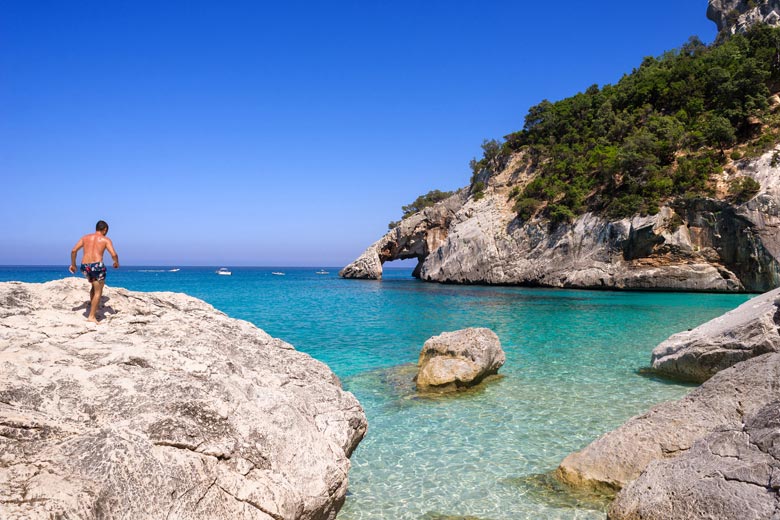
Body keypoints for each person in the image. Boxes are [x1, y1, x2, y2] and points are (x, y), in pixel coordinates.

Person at [69, 220, 120, 323]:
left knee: (94, 285)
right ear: (105, 230)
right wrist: (116, 263)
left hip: (85, 266)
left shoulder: (85, 238)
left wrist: (73, 265)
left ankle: (94, 308)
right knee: (98, 291)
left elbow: (74, 250)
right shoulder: (105, 240)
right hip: (97, 266)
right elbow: (114, 254)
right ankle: (91, 316)